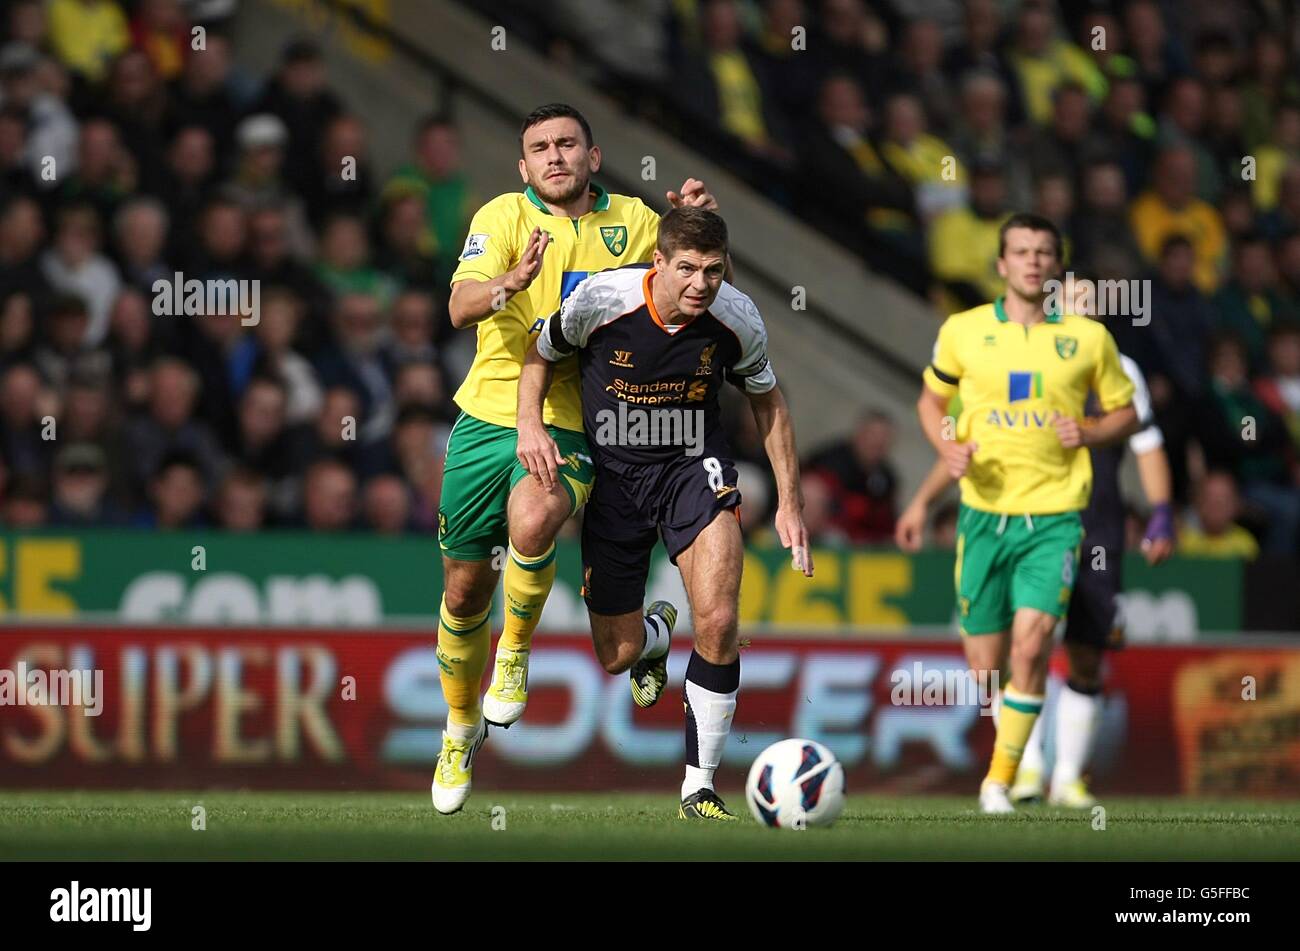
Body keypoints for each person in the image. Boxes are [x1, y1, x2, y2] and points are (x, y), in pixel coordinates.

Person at [431, 103, 718, 814]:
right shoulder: (501, 217)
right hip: (484, 416)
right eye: (539, 148)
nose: (554, 155)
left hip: (579, 418)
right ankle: (460, 725)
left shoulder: (638, 221)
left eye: (567, 144)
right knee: (464, 591)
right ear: (523, 166)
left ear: (594, 156)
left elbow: (699, 286)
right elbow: (459, 305)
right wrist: (507, 283)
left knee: (535, 520)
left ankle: (515, 657)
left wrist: (703, 228)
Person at [517, 207, 813, 820]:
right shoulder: (603, 299)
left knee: (720, 619)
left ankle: (699, 788)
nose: (701, 284)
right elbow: (540, 351)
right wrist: (529, 425)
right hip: (615, 484)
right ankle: (653, 639)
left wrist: (790, 500)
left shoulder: (736, 318)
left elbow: (768, 400)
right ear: (659, 262)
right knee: (616, 655)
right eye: (687, 270)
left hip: (693, 471)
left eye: (712, 270)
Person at [899, 282, 1176, 808]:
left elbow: (1148, 445)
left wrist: (1161, 512)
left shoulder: (1119, 369)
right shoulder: (1011, 363)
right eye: (1074, 299)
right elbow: (967, 443)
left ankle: (1067, 777)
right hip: (1015, 517)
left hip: (1094, 524)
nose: (1085, 309)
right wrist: (924, 501)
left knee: (1087, 649)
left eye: (1093, 301)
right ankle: (1025, 769)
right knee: (1006, 654)